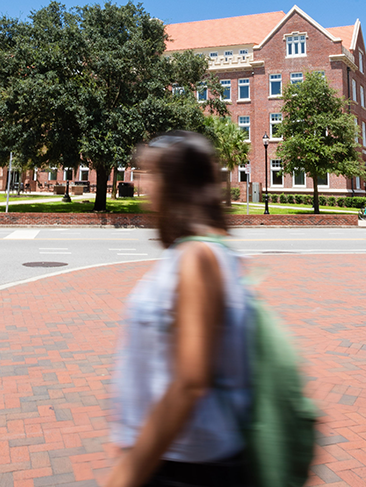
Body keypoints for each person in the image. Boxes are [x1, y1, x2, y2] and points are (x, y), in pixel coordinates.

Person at [106, 131, 250, 487]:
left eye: (148, 174)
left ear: (174, 183)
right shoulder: (202, 250)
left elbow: (189, 382)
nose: (141, 185)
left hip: (190, 467)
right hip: (179, 458)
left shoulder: (197, 257)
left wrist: (127, 474)